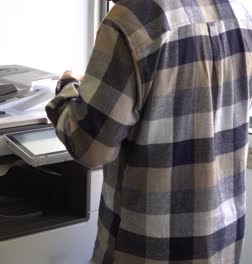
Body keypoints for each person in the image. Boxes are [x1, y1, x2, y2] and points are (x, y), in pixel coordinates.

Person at [46, 0, 252, 263]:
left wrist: (67, 86)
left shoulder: (131, 18)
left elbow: (90, 147)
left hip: (147, 248)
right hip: (220, 242)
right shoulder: (240, 13)